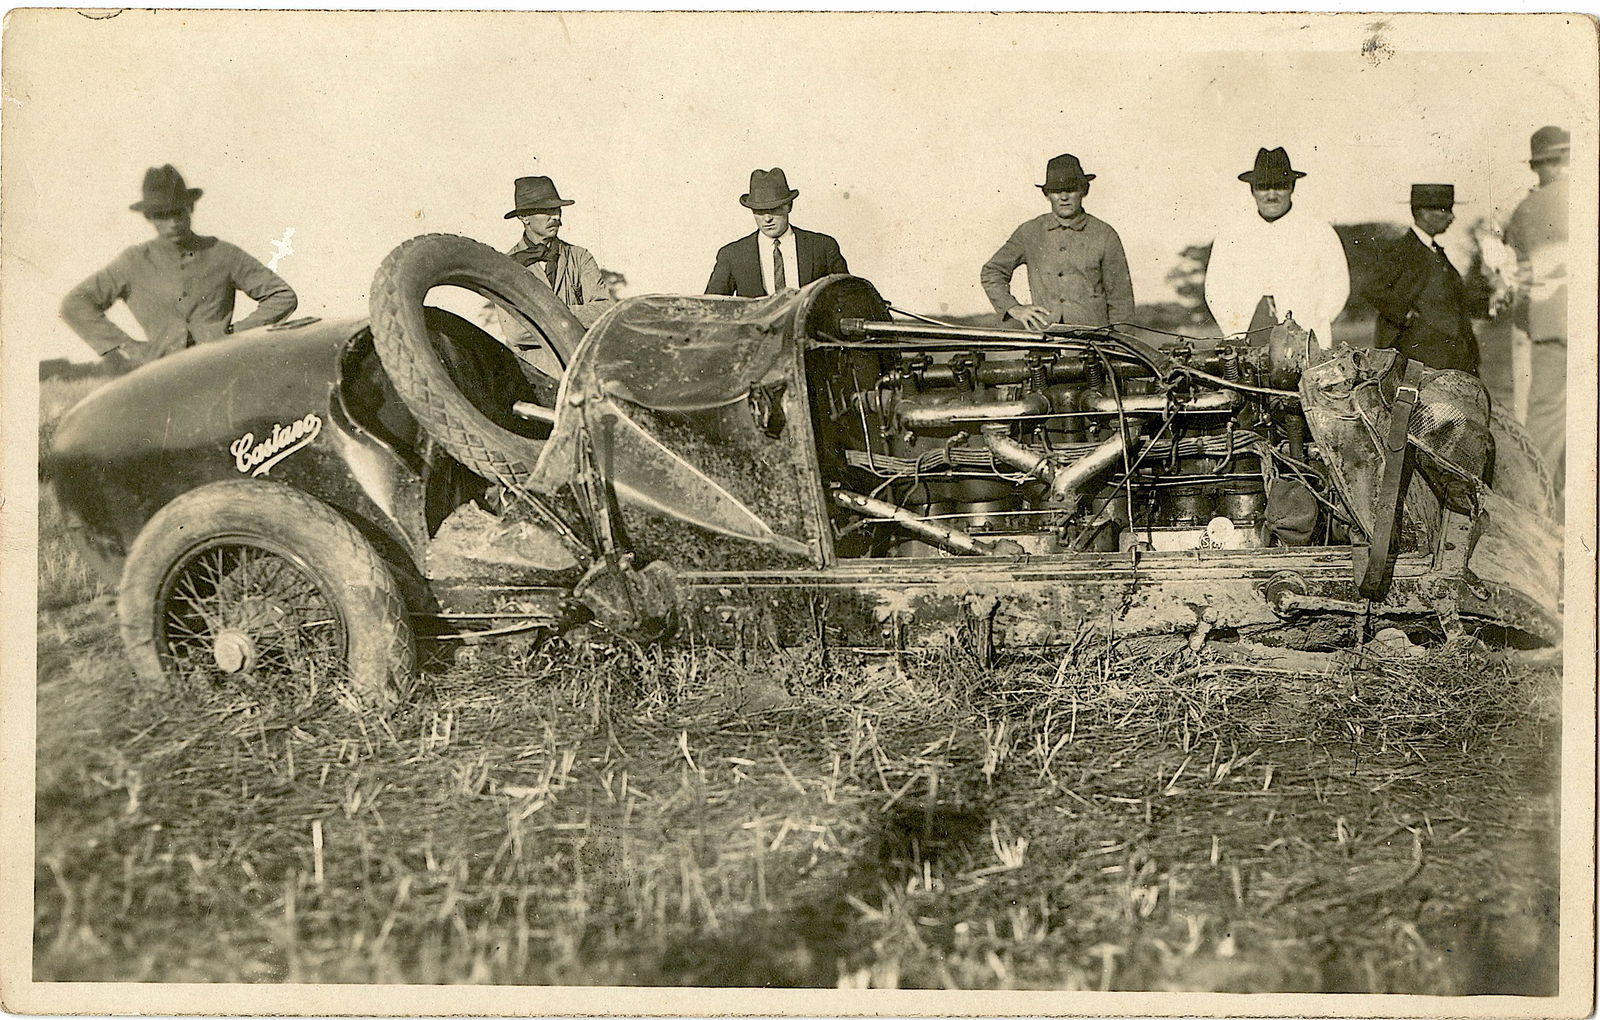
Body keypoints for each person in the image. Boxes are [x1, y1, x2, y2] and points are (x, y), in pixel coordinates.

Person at [61, 165, 298, 368]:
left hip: (223, 366)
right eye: (162, 215)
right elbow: (75, 303)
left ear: (190, 209)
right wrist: (127, 347)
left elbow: (282, 295)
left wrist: (238, 334)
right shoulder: (133, 261)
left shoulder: (222, 253)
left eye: (178, 212)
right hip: (162, 376)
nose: (173, 223)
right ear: (149, 217)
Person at [1204, 147, 1350, 348]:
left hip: (1304, 339)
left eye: (1279, 186)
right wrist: (1233, 329)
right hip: (1244, 338)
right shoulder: (1230, 234)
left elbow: (1337, 286)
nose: (1271, 195)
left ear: (1292, 187)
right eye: (1263, 187)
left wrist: (1313, 323)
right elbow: (1216, 288)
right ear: (1252, 190)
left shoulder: (1318, 231)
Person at [981, 153, 1134, 330]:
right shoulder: (1030, 232)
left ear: (1083, 191)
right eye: (1055, 191)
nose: (1063, 197)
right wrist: (1013, 307)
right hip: (1045, 342)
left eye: (1070, 189)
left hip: (1094, 344)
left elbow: (1121, 300)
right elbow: (992, 272)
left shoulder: (1105, 235)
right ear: (1047, 195)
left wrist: (1118, 348)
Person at [1504, 126, 1569, 493]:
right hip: (1564, 323)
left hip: (1550, 328)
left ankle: (1535, 505)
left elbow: (1517, 267)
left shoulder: (1530, 207)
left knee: (1544, 422)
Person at [1364, 184, 1484, 374]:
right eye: (1445, 210)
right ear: (1424, 213)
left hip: (1454, 356)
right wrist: (1405, 316)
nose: (1452, 217)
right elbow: (1372, 288)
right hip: (1420, 357)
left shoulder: (1436, 251)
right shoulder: (1402, 250)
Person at [705, 168, 848, 297]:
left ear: (789, 206)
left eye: (774, 209)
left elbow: (848, 298)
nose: (767, 218)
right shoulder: (732, 255)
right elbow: (710, 310)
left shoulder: (822, 247)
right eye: (759, 211)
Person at [502, 175, 609, 324]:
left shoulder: (580, 257)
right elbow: (516, 331)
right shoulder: (506, 265)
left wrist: (546, 314)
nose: (556, 217)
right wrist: (573, 315)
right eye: (547, 210)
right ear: (524, 217)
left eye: (558, 209)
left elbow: (603, 311)